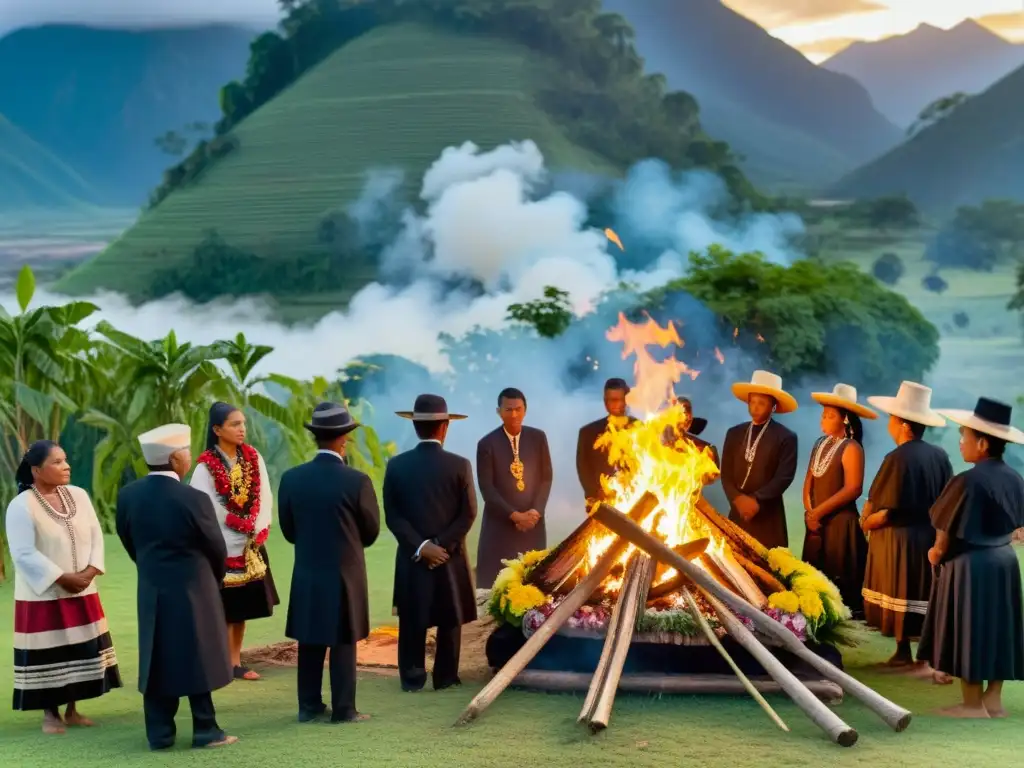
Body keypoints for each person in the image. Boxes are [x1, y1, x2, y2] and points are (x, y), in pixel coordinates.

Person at [115, 424, 237, 749]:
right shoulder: (193, 498)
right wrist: (212, 577)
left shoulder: (128, 495)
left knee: (157, 659)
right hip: (194, 589)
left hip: (152, 589)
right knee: (198, 655)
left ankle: (160, 734)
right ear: (175, 459)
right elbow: (216, 548)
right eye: (184, 452)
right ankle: (206, 730)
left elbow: (129, 542)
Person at [917, 398, 1024, 718]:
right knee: (997, 628)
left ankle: (972, 704)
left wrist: (935, 555)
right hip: (1004, 562)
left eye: (964, 435)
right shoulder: (1015, 478)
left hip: (971, 566)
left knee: (971, 629)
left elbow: (946, 530)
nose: (960, 441)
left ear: (982, 442)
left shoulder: (967, 480)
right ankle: (993, 700)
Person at [6, 440, 122, 734]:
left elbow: (96, 536)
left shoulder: (79, 496)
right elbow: (23, 553)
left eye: (65, 459)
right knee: (49, 653)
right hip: (44, 596)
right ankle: (50, 715)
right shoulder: (21, 505)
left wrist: (89, 572)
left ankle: (72, 710)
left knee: (81, 650)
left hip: (84, 590)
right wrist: (63, 578)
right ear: (36, 470)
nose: (66, 466)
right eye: (57, 462)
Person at [279, 402, 380, 723]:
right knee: (343, 641)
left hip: (307, 570)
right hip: (345, 572)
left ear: (316, 437)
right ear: (343, 439)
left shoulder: (292, 479)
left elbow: (288, 530)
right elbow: (371, 530)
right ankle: (344, 709)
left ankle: (308, 707)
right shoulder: (357, 481)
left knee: (310, 639)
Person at [384, 394, 477, 692]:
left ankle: (411, 677)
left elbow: (393, 516)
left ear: (415, 427)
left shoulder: (396, 465)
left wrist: (421, 547)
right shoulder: (460, 465)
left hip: (414, 558)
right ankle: (446, 677)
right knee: (450, 618)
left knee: (412, 617)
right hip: (450, 556)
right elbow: (469, 513)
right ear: (445, 427)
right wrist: (442, 545)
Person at [862, 381, 952, 668]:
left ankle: (907, 653)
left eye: (892, 418)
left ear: (901, 424)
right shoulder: (939, 456)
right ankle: (913, 655)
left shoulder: (897, 458)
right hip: (927, 536)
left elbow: (888, 510)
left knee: (901, 590)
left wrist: (866, 522)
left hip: (898, 540)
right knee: (921, 592)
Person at [190, 402, 278, 681]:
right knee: (220, 608)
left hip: (249, 543)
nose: (242, 429)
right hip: (219, 545)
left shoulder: (253, 458)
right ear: (217, 430)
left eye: (243, 424)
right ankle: (215, 661)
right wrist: (233, 521)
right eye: (235, 424)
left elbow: (264, 495)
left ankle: (235, 661)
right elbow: (204, 506)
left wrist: (259, 527)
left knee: (240, 608)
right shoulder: (205, 467)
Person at [803, 384, 877, 616]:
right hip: (815, 523)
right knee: (814, 577)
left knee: (840, 580)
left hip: (839, 525)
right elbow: (808, 482)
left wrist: (819, 512)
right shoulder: (819, 444)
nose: (823, 420)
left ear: (844, 419)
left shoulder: (852, 447)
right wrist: (809, 511)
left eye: (829, 415)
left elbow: (853, 488)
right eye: (823, 415)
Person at [476, 387, 554, 588]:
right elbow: (487, 488)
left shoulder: (538, 438)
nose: (514, 414)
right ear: (499, 412)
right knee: (497, 588)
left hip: (533, 525)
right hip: (500, 527)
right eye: (508, 410)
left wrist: (536, 511)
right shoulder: (487, 444)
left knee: (533, 585)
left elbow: (546, 478)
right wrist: (514, 516)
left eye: (518, 409)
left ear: (525, 410)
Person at [720, 370, 799, 549]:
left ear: (773, 407)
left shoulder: (785, 437)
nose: (755, 407)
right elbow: (725, 473)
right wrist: (737, 499)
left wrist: (756, 500)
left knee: (767, 563)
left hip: (768, 513)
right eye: (752, 402)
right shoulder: (734, 433)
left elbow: (784, 477)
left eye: (761, 403)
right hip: (738, 509)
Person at [575, 378, 638, 508]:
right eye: (613, 400)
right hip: (601, 504)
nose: (618, 404)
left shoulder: (640, 429)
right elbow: (583, 468)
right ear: (605, 402)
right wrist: (595, 492)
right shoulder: (588, 433)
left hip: (634, 500)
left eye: (622, 399)